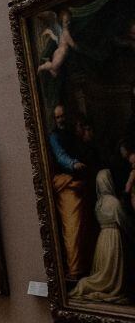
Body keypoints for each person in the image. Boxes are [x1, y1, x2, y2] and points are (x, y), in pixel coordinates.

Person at [48, 105, 97, 278]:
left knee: (84, 226)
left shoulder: (71, 133)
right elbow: (60, 156)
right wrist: (73, 164)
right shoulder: (54, 136)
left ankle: (84, 267)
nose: (61, 119)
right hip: (65, 183)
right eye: (58, 117)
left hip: (78, 182)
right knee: (72, 227)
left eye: (63, 116)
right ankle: (74, 270)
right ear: (55, 120)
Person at [70, 170, 130, 304]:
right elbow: (124, 222)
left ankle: (93, 284)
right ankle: (110, 287)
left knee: (104, 266)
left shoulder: (99, 204)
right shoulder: (114, 202)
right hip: (114, 237)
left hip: (102, 239)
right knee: (112, 269)